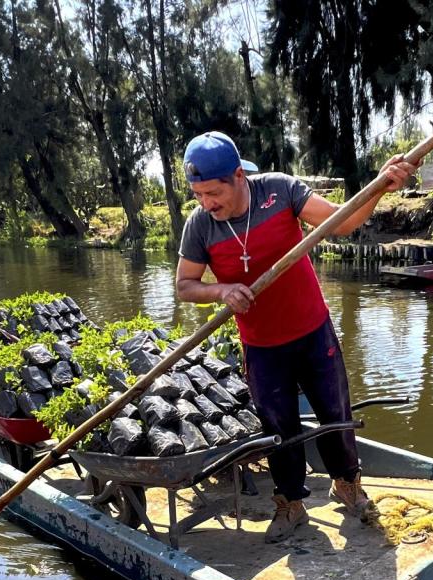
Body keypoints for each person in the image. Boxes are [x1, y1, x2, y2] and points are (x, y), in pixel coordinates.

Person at [175, 131, 416, 543]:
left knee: (334, 411)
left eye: (212, 192)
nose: (205, 203)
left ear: (238, 176)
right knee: (278, 428)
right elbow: (185, 285)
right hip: (261, 345)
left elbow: (344, 221)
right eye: (198, 195)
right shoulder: (200, 226)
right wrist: (221, 291)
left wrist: (380, 187)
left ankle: (347, 485)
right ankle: (290, 504)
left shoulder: (280, 191)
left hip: (311, 329)